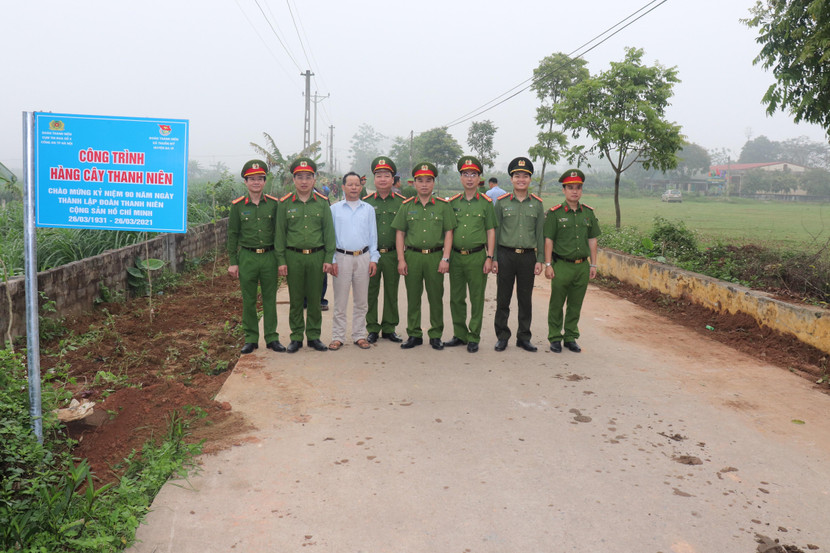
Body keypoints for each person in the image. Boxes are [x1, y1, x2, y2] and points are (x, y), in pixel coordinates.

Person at [391, 162, 457, 350]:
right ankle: (414, 334)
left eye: (428, 180)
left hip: (435, 257)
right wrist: (401, 259)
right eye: (420, 181)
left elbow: (449, 233)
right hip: (412, 256)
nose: (424, 184)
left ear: (433, 183)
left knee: (436, 297)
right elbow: (400, 233)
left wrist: (445, 258)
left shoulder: (444, 206)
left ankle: (436, 334)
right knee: (413, 297)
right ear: (414, 183)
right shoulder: (406, 206)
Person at [275, 157, 335, 353]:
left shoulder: (322, 202)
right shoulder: (284, 203)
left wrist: (328, 259)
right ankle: (296, 337)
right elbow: (280, 234)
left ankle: (314, 336)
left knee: (315, 298)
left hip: (316, 257)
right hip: (294, 257)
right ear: (294, 179)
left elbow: (329, 233)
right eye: (300, 177)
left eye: (308, 177)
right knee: (296, 299)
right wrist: (281, 261)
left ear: (314, 180)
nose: (304, 181)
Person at [227, 160, 284, 354]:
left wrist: (280, 260)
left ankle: (272, 338)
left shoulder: (274, 205)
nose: (256, 182)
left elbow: (279, 234)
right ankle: (251, 338)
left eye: (260, 179)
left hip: (269, 257)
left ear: (265, 181)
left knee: (270, 299)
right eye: (252, 179)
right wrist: (233, 263)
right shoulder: (237, 207)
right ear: (246, 182)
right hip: (247, 257)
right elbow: (232, 235)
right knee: (248, 300)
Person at [544, 169, 601, 353]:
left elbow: (592, 239)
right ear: (564, 190)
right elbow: (549, 240)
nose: (574, 191)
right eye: (570, 188)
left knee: (575, 304)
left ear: (581, 190)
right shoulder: (555, 214)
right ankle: (554, 337)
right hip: (561, 265)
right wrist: (548, 264)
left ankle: (570, 337)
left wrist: (593, 264)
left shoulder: (588, 213)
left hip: (581, 266)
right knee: (557, 304)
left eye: (578, 188)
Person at [492, 156, 545, 352]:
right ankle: (502, 336)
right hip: (506, 255)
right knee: (503, 298)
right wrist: (495, 258)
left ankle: (524, 337)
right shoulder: (502, 203)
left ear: (530, 179)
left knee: (525, 299)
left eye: (525, 176)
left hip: (528, 257)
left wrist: (540, 260)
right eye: (517, 176)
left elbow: (540, 234)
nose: (521, 179)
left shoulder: (537, 204)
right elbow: (495, 233)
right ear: (511, 179)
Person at [445, 156, 497, 353]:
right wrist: (447, 257)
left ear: (479, 178)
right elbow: (448, 231)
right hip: (457, 257)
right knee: (456, 298)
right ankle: (460, 334)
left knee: (476, 297)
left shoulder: (485, 203)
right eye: (465, 174)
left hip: (477, 257)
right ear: (460, 178)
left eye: (473, 175)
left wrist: (489, 257)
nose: (469, 178)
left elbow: (490, 231)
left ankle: (474, 336)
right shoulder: (452, 203)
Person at [328, 172, 379, 351]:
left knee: (361, 301)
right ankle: (338, 336)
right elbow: (330, 237)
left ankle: (359, 335)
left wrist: (374, 258)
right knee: (340, 301)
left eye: (357, 184)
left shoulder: (368, 209)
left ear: (361, 186)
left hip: (363, 257)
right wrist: (332, 260)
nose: (354, 187)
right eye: (350, 184)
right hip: (341, 258)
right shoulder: (334, 209)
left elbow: (373, 236)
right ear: (343, 187)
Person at [363, 157, 405, 343]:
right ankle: (372, 328)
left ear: (392, 179)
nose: (382, 179)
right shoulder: (365, 203)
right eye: (378, 175)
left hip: (392, 254)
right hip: (370, 255)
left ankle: (389, 327)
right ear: (374, 178)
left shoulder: (402, 203)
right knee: (370, 293)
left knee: (391, 291)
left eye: (386, 176)